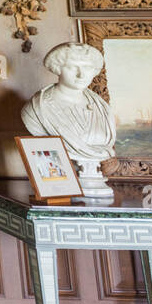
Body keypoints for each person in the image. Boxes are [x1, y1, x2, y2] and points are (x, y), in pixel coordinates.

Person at [21, 41, 117, 198]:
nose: (81, 74)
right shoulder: (37, 109)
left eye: (87, 68)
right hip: (64, 192)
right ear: (58, 68)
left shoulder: (102, 108)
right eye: (73, 67)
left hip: (100, 188)